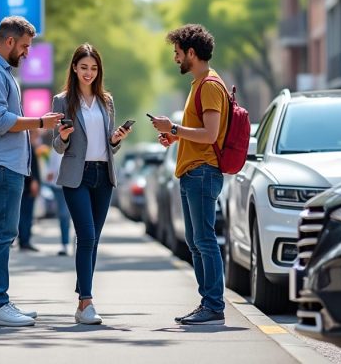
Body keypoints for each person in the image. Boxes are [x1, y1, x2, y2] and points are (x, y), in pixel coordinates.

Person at [0, 16, 63, 327]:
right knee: (2, 235)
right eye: (24, 46)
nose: (27, 53)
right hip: (1, 164)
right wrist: (39, 122)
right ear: (9, 42)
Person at [150, 24, 229, 326]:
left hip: (202, 173)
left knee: (204, 240)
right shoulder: (199, 84)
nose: (175, 58)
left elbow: (210, 134)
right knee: (196, 241)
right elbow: (203, 134)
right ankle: (207, 302)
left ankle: (213, 305)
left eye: (178, 52)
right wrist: (176, 138)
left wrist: (173, 128)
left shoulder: (209, 85)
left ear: (191, 53)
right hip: (193, 173)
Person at [52, 43, 131, 325]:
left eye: (94, 68)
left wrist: (116, 139)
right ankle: (86, 302)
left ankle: (83, 295)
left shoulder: (106, 101)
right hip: (77, 176)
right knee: (85, 236)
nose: (89, 73)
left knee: (93, 240)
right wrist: (62, 136)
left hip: (103, 176)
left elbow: (110, 145)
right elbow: (58, 146)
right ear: (74, 68)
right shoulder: (62, 101)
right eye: (84, 67)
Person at [46, 147, 71, 256]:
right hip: (58, 187)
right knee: (63, 215)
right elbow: (52, 167)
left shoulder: (77, 143)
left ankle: (81, 242)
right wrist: (50, 173)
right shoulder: (55, 147)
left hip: (73, 185)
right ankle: (65, 244)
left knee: (77, 216)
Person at [18, 145, 41, 251]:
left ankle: (24, 240)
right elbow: (29, 166)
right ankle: (24, 241)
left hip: (26, 186)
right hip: (27, 186)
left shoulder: (29, 146)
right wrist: (34, 180)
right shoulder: (27, 147)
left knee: (25, 215)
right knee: (25, 215)